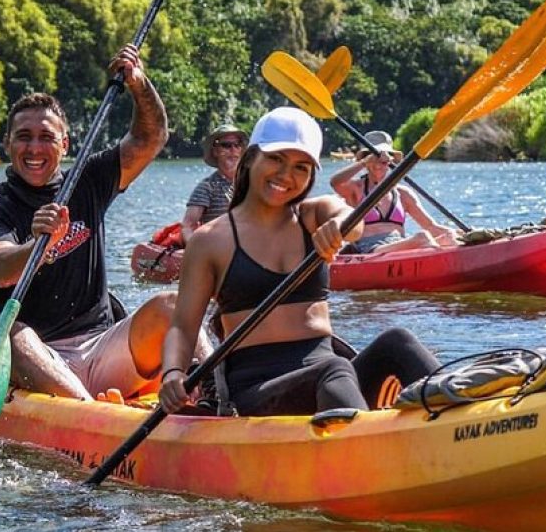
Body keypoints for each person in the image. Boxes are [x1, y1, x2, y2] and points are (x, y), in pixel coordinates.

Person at [0, 44, 212, 402]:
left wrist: (139, 84)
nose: (35, 148)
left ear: (64, 144)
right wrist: (40, 246)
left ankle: (217, 395)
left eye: (47, 137)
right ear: (7, 144)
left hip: (102, 346)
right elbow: (1, 269)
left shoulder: (88, 179)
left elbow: (151, 137)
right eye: (24, 137)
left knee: (171, 303)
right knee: (6, 333)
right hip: (38, 357)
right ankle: (94, 415)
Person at [159, 106, 441, 417]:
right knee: (334, 369)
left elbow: (346, 214)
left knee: (397, 342)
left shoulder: (312, 215)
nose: (286, 175)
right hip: (257, 393)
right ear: (251, 157)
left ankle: (465, 416)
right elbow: (183, 327)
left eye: (301, 167)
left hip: (330, 379)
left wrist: (340, 226)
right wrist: (173, 372)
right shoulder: (210, 240)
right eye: (276, 159)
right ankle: (366, 447)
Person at [330, 130, 462, 254]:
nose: (377, 164)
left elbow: (431, 226)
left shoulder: (403, 193)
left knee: (449, 237)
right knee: (422, 237)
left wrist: (460, 234)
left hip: (398, 245)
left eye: (382, 160)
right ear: (365, 158)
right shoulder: (355, 189)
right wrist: (364, 163)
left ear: (390, 160)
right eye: (373, 158)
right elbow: (335, 182)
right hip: (368, 249)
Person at [180, 123, 248, 244]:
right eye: (226, 145)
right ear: (215, 152)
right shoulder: (207, 187)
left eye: (237, 145)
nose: (233, 150)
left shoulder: (250, 184)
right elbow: (187, 226)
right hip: (219, 251)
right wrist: (199, 254)